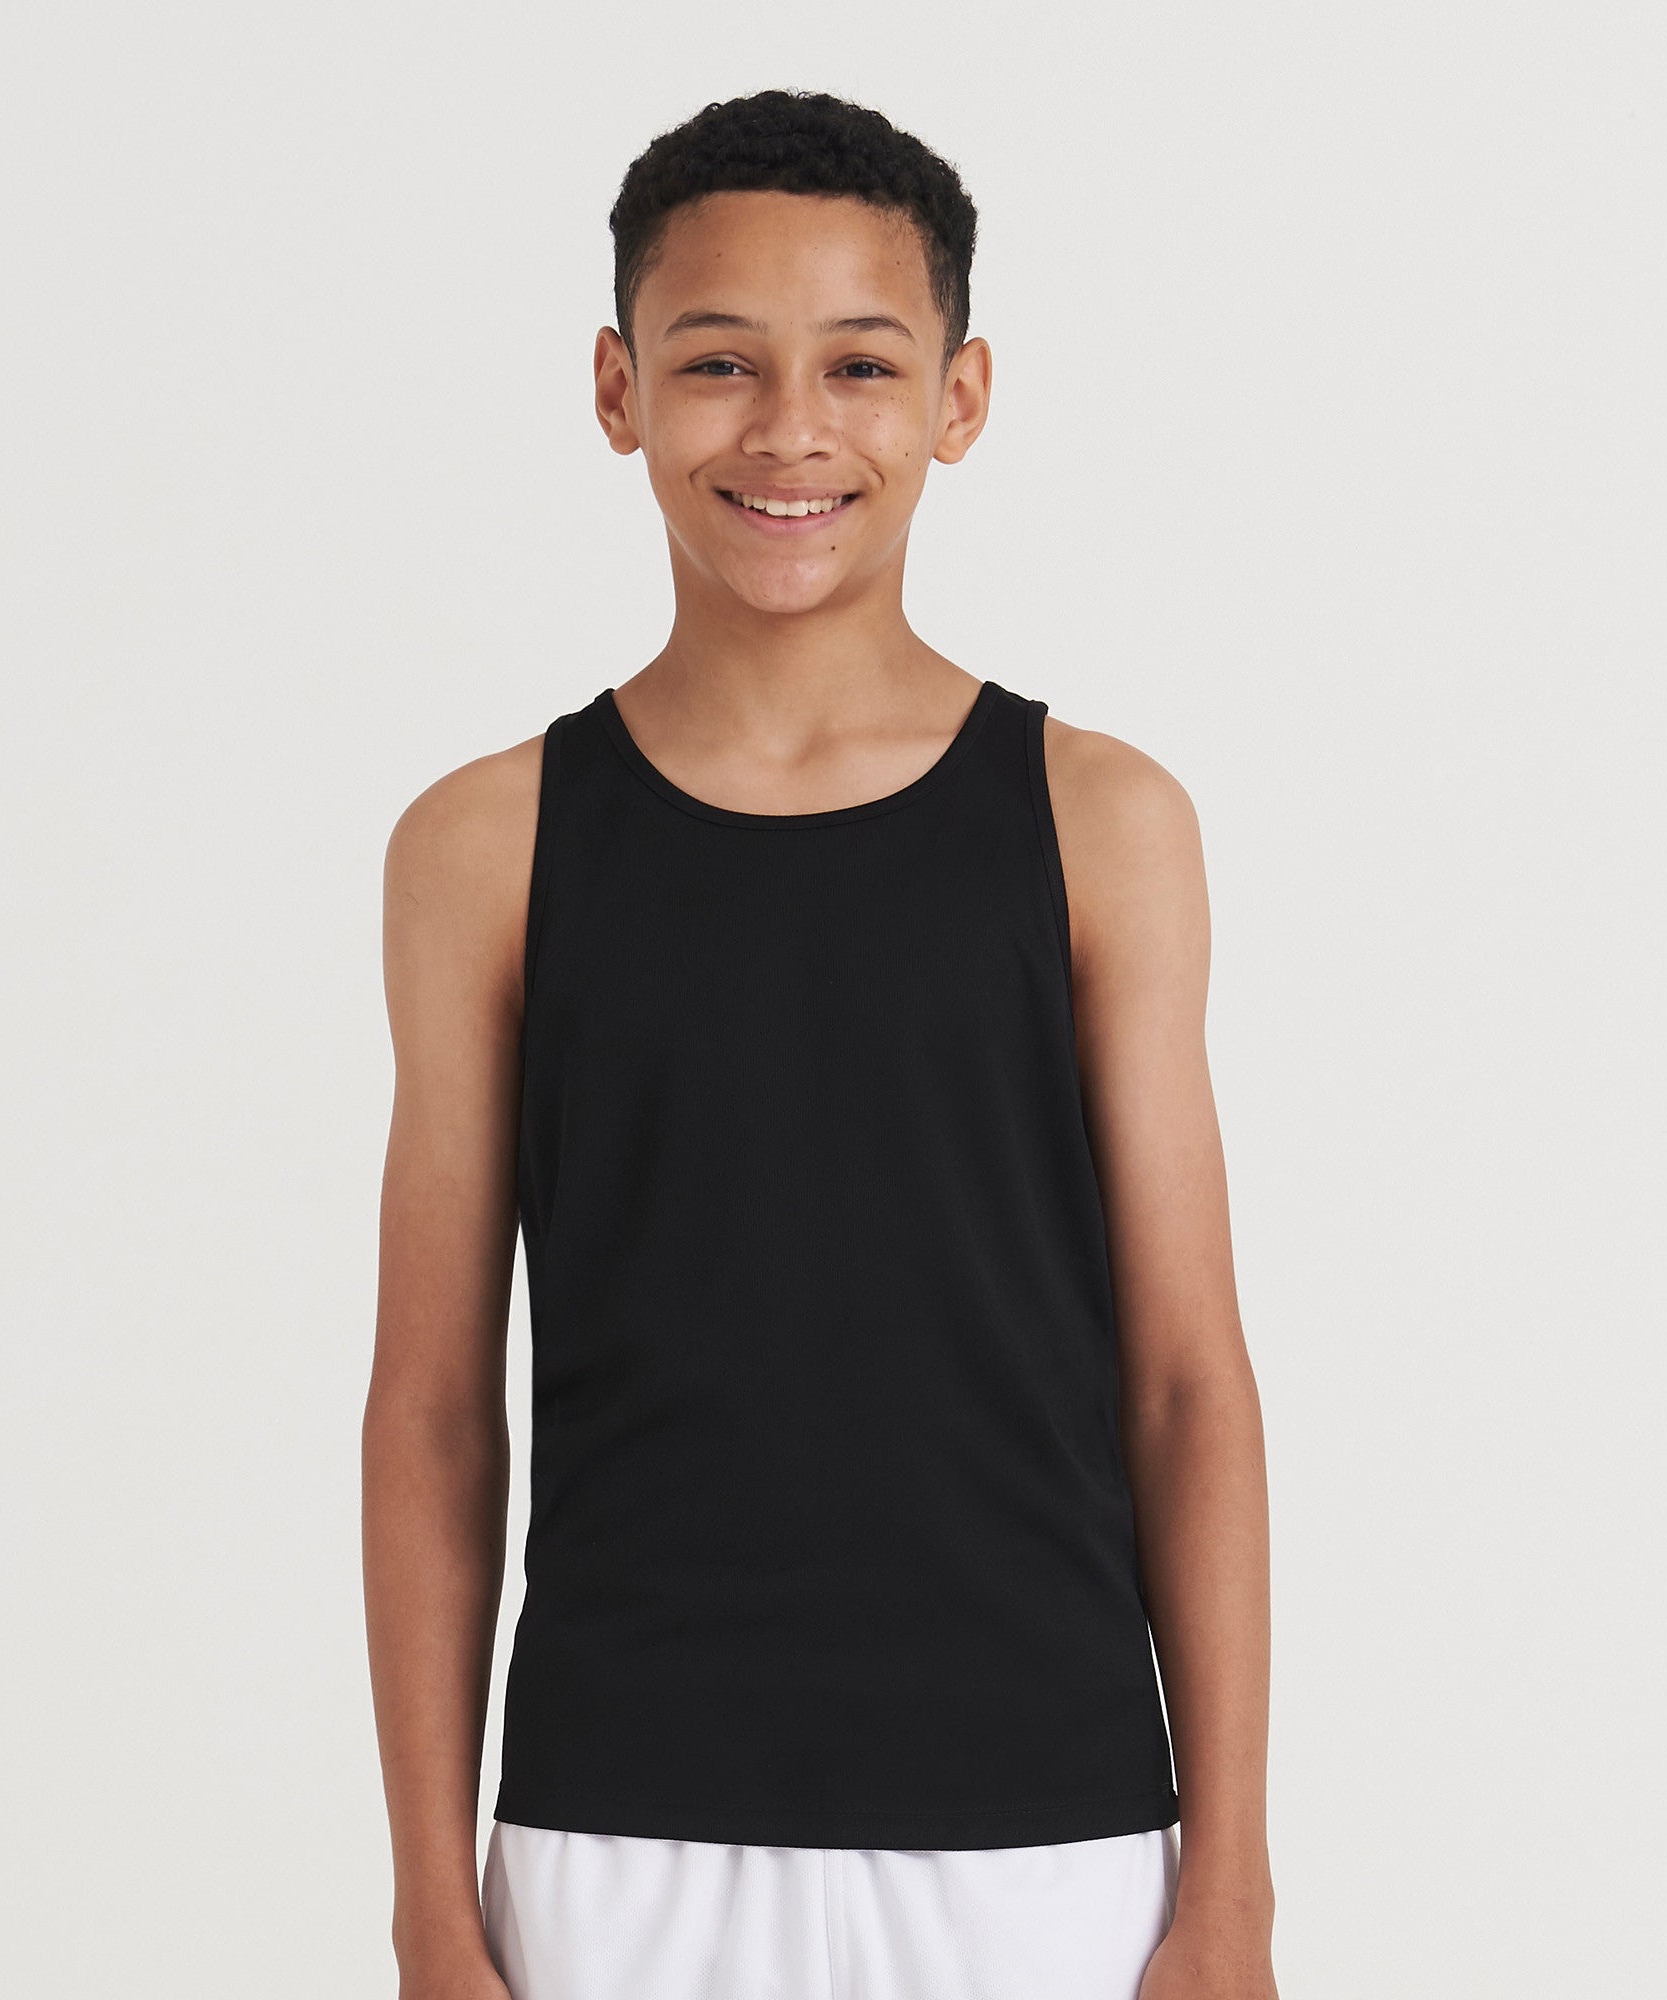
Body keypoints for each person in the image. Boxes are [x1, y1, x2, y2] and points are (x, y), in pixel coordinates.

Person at [363, 89, 1279, 2000]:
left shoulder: (1101, 823)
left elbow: (1189, 1381)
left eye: (861, 364)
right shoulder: (487, 846)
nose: (789, 429)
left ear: (960, 398)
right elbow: (438, 1409)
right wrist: (430, 1907)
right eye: (719, 362)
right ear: (617, 389)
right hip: (618, 1837)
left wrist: (1234, 1889)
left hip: (1048, 1839)